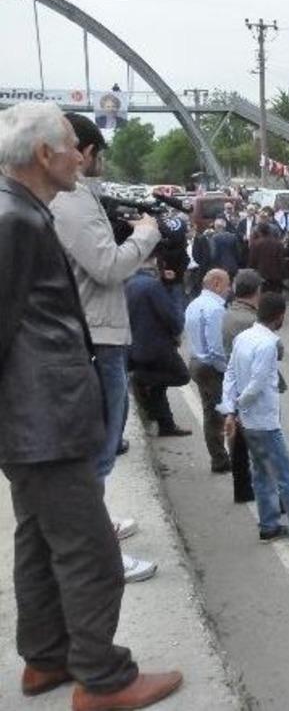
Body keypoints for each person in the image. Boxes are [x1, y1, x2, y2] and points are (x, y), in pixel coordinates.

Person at [0, 101, 182, 710]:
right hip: (43, 415)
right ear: (46, 155)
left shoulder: (22, 209)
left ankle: (45, 657)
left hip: (32, 417)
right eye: (71, 147)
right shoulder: (15, 218)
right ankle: (103, 679)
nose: (82, 156)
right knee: (91, 551)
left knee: (38, 539)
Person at [51, 112, 162, 582]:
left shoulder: (70, 198)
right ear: (84, 151)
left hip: (94, 331)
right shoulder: (72, 200)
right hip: (98, 336)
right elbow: (107, 267)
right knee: (100, 448)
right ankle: (100, 556)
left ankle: (98, 528)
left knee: (100, 447)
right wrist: (144, 237)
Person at [218, 292, 289, 547]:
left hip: (247, 420)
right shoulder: (268, 344)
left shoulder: (243, 338)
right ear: (280, 317)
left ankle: (268, 524)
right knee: (287, 475)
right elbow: (257, 384)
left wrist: (231, 409)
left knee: (260, 471)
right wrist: (237, 407)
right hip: (264, 420)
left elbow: (231, 374)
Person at [220, 269, 271, 505]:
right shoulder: (251, 321)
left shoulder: (229, 313)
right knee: (264, 444)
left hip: (236, 378)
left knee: (240, 443)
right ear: (256, 291)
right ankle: (270, 496)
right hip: (251, 384)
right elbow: (274, 349)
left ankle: (242, 489)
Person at [126, 254, 192, 439]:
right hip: (157, 347)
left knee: (158, 388)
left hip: (137, 346)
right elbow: (174, 319)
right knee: (181, 376)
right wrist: (173, 290)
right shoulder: (152, 286)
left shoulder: (130, 283)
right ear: (153, 262)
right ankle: (140, 379)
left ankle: (166, 424)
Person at [184, 268, 233, 473]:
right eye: (227, 284)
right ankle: (224, 459)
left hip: (196, 361)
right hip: (210, 367)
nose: (230, 289)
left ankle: (218, 458)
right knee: (225, 413)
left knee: (210, 413)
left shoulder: (194, 304)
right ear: (216, 284)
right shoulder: (215, 308)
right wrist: (228, 371)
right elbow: (216, 348)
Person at [247, 222, 287, 293]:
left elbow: (252, 262)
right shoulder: (278, 244)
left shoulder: (255, 244)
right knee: (276, 298)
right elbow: (281, 261)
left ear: (259, 232)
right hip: (276, 277)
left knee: (263, 299)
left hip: (261, 276)